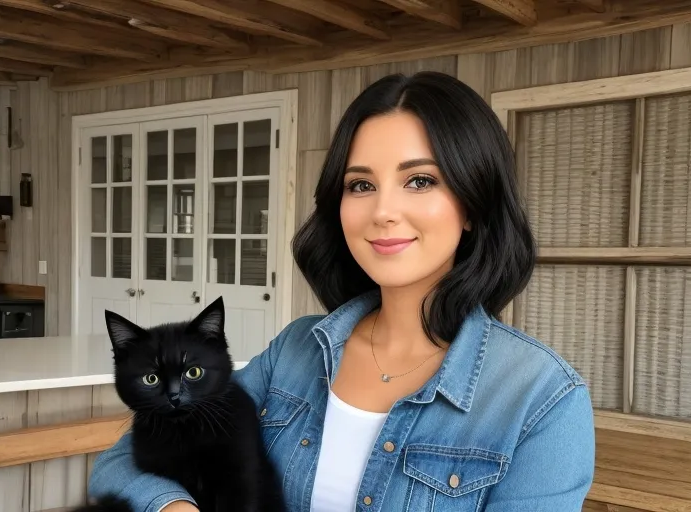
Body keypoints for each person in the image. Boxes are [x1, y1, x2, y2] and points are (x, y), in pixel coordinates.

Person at [88, 71, 595, 511]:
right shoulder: (296, 352)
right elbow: (118, 464)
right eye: (360, 185)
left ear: (473, 205)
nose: (382, 212)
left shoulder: (542, 399)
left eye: (419, 181)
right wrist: (174, 506)